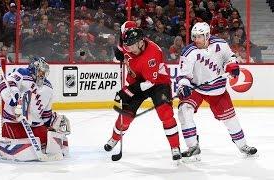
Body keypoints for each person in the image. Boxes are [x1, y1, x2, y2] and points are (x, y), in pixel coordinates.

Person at [176, 22, 257, 161]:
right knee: (184, 109)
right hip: (197, 88)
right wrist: (184, 86)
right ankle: (193, 146)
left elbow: (230, 57)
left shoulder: (221, 44)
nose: (196, 39)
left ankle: (243, 145)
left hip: (217, 89)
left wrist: (233, 66)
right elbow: (184, 75)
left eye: (199, 36)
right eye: (194, 36)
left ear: (207, 35)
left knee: (230, 119)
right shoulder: (188, 52)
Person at [104, 22, 182, 162]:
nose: (129, 49)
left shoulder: (153, 52)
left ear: (140, 43)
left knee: (166, 114)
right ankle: (114, 138)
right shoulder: (128, 43)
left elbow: (149, 83)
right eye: (127, 45)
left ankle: (175, 147)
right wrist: (117, 56)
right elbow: (119, 56)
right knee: (126, 115)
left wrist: (126, 91)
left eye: (132, 46)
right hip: (136, 82)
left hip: (157, 83)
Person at [0, 57, 71, 161]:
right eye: (41, 71)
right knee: (24, 144)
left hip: (35, 125)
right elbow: (5, 83)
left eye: (45, 72)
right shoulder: (22, 74)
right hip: (13, 122)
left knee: (49, 144)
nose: (43, 75)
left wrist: (51, 123)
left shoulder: (48, 87)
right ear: (33, 68)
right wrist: (13, 96)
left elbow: (46, 113)